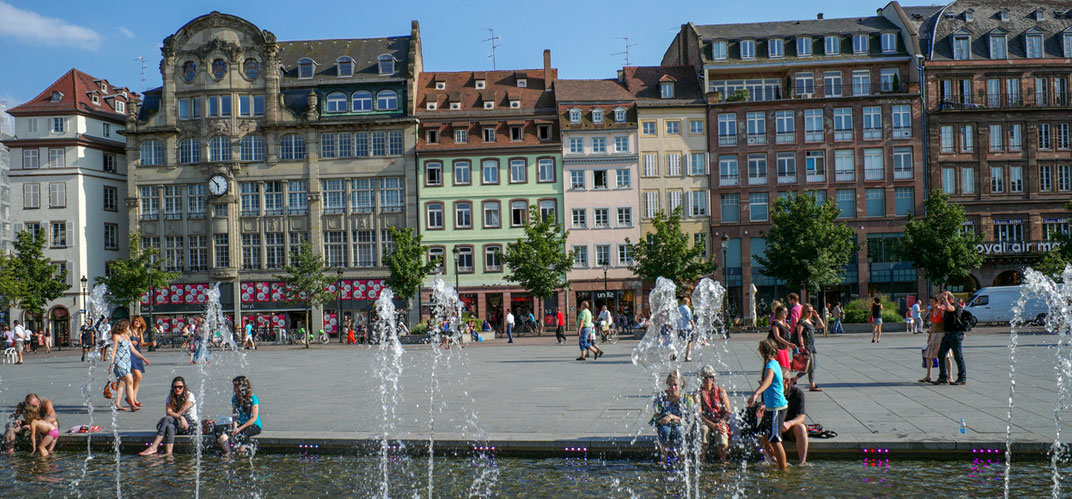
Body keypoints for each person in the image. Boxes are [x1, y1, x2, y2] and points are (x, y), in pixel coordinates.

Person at [747, 339, 789, 471]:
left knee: (775, 440)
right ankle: (774, 461)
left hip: (777, 407)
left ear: (762, 351)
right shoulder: (773, 363)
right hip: (771, 407)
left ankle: (783, 469)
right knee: (764, 437)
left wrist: (756, 393)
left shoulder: (771, 365)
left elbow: (769, 381)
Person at [140, 376, 198, 456]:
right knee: (170, 426)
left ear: (184, 387)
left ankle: (154, 447)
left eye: (180, 387)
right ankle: (169, 454)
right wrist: (181, 417)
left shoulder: (189, 396)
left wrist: (178, 417)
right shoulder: (170, 396)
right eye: (175, 387)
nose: (177, 389)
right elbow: (168, 412)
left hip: (190, 425)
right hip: (178, 423)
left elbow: (182, 410)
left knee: (167, 419)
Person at [218, 376, 262, 457]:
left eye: (236, 386)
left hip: (253, 425)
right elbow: (234, 415)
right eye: (233, 386)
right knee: (223, 433)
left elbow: (253, 418)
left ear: (243, 386)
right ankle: (230, 452)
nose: (234, 388)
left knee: (240, 435)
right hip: (240, 425)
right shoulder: (235, 398)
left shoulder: (253, 398)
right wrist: (235, 427)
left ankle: (241, 451)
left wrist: (239, 429)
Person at [696, 365, 732, 463]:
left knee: (722, 432)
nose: (708, 380)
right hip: (705, 421)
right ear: (701, 379)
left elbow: (728, 410)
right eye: (705, 377)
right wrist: (712, 425)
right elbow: (699, 414)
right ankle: (702, 459)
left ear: (713, 379)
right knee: (703, 430)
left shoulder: (720, 391)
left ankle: (723, 459)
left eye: (710, 377)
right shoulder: (697, 394)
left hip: (719, 419)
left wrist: (722, 421)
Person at [652, 370, 689, 463]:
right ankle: (663, 458)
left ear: (680, 385)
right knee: (665, 431)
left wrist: (671, 417)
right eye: (670, 384)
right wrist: (660, 419)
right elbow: (656, 414)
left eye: (675, 385)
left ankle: (681, 458)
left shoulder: (684, 398)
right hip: (665, 423)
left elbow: (685, 418)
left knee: (679, 431)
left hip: (679, 423)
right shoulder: (661, 397)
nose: (672, 387)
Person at [108, 319, 145, 411]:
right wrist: (111, 364)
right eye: (128, 326)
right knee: (130, 380)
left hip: (127, 362)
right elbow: (113, 351)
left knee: (121, 383)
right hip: (119, 362)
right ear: (123, 327)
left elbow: (133, 350)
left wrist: (143, 358)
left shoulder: (127, 336)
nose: (129, 328)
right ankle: (132, 404)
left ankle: (117, 404)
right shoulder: (116, 336)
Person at [934, 291, 967, 386]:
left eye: (944, 296)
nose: (942, 298)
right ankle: (943, 377)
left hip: (955, 334)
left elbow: (950, 308)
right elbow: (940, 315)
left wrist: (944, 300)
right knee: (941, 354)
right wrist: (939, 303)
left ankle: (962, 378)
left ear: (949, 298)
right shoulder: (945, 306)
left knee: (958, 356)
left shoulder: (955, 305)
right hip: (947, 334)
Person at [778, 369, 809, 465]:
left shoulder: (798, 393)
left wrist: (789, 423)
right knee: (765, 431)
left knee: (800, 427)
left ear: (786, 381)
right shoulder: (771, 392)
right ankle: (772, 461)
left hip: (791, 427)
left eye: (777, 380)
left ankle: (802, 462)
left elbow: (801, 417)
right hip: (777, 426)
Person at [920, 296, 952, 383]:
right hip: (934, 334)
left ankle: (950, 376)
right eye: (930, 301)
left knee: (946, 356)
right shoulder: (931, 311)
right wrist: (929, 335)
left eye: (932, 301)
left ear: (937, 302)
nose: (930, 303)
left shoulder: (942, 310)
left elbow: (947, 322)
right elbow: (932, 324)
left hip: (941, 334)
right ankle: (928, 376)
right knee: (928, 355)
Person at [792, 304, 823, 392]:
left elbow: (822, 326)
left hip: (812, 346)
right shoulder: (802, 322)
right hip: (806, 346)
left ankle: (794, 380)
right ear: (804, 311)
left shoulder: (811, 321)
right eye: (808, 311)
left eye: (812, 311)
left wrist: (817, 316)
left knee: (811, 367)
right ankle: (811, 385)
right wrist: (801, 346)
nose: (810, 313)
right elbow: (799, 334)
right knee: (810, 367)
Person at [129, 316, 152, 409]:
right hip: (130, 355)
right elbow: (123, 339)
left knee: (136, 379)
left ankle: (133, 398)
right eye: (136, 321)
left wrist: (150, 343)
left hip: (138, 355)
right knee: (138, 376)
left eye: (139, 321)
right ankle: (131, 398)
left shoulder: (140, 332)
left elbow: (142, 344)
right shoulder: (129, 331)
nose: (137, 322)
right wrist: (130, 341)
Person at [678, 297, 696, 362]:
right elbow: (690, 319)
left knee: (680, 341)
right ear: (688, 302)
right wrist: (694, 327)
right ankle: (687, 357)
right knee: (689, 342)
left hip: (680, 327)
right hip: (687, 327)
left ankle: (675, 355)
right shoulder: (687, 309)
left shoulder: (678, 308)